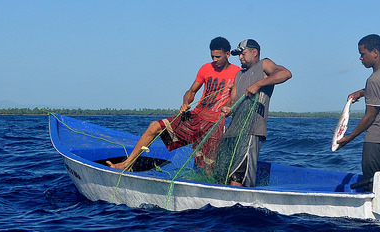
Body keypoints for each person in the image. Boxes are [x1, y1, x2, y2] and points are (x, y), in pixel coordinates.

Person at [107, 37, 241, 171]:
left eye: (218, 57)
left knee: (208, 168)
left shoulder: (237, 73)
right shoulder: (205, 68)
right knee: (154, 126)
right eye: (212, 56)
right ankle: (127, 164)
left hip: (215, 124)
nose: (214, 60)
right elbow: (191, 91)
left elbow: (234, 101)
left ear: (228, 54)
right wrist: (185, 103)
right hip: (196, 118)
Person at [336, 34, 380, 189]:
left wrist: (350, 137)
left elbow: (370, 115)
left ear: (375, 53)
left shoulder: (373, 80)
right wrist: (360, 93)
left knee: (374, 186)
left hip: (377, 140)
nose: (360, 58)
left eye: (362, 54)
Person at [220, 39, 292, 187]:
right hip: (234, 131)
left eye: (243, 54)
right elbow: (232, 101)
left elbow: (286, 73)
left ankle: (240, 207)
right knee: (225, 174)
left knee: (238, 177)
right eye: (238, 55)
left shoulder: (263, 65)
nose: (240, 58)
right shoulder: (239, 75)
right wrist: (227, 108)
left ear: (254, 52)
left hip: (251, 130)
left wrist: (258, 84)